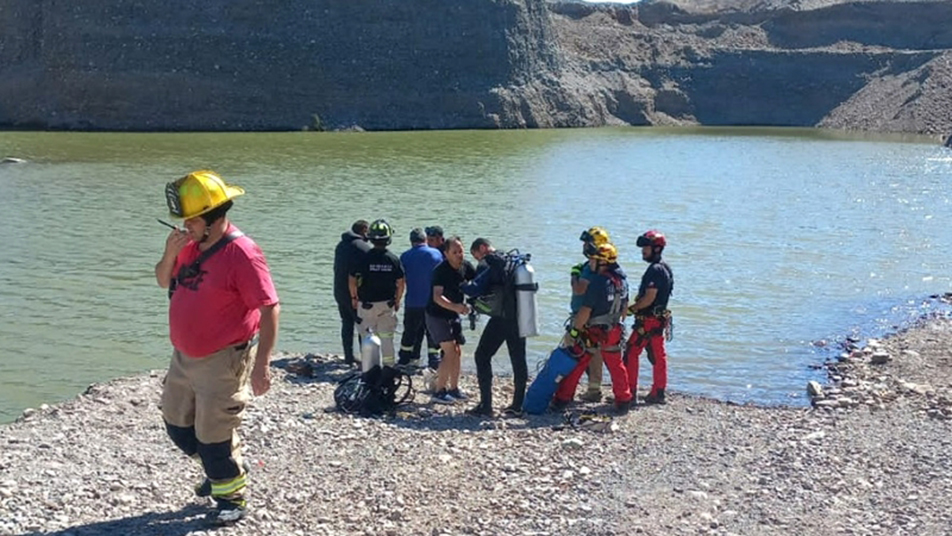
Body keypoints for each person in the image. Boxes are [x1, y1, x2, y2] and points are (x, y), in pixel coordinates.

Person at [154, 170, 280, 525]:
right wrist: (169, 253)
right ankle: (220, 469)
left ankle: (232, 498)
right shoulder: (189, 247)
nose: (184, 227)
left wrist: (262, 365)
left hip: (223, 360)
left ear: (212, 220)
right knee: (178, 428)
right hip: (183, 357)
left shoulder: (243, 254)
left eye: (190, 221)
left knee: (213, 435)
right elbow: (164, 279)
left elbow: (270, 307)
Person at [553, 243, 633, 413]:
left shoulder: (597, 282)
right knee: (616, 366)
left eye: (593, 260)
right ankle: (624, 400)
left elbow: (585, 311)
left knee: (578, 362)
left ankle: (562, 399)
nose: (590, 263)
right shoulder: (622, 280)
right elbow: (625, 309)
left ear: (602, 262)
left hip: (594, 331)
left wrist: (575, 329)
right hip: (614, 329)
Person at [462, 238, 528, 418]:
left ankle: (486, 405)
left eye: (477, 257)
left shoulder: (491, 263)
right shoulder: (511, 261)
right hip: (520, 316)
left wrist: (461, 285)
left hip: (501, 319)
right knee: (518, 360)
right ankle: (518, 404)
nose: (478, 261)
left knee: (481, 356)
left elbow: (476, 289)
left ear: (483, 248)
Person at [625, 230, 674, 405]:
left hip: (647, 322)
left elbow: (649, 298)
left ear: (657, 248)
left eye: (646, 247)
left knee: (631, 353)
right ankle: (658, 392)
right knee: (658, 356)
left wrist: (630, 309)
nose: (643, 251)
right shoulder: (665, 268)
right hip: (658, 321)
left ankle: (629, 393)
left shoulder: (654, 270)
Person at [425, 236, 475, 404]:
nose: (459, 255)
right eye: (454, 252)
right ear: (446, 253)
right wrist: (457, 307)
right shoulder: (440, 271)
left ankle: (454, 389)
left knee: (457, 351)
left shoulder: (466, 266)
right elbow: (437, 297)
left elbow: (477, 285)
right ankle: (439, 391)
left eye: (460, 251)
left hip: (453, 315)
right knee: (449, 351)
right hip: (436, 315)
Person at [349, 219, 405, 367]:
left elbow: (352, 279)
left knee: (367, 338)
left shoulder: (363, 258)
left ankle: (369, 370)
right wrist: (398, 300)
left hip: (366, 305)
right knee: (387, 339)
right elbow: (401, 283)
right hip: (387, 305)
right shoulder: (393, 259)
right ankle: (388, 371)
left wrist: (354, 298)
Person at [571, 227, 612, 403]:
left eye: (587, 243)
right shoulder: (606, 266)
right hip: (600, 319)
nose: (584, 246)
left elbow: (578, 289)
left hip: (584, 315)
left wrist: (574, 274)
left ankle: (565, 389)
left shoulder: (589, 268)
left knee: (570, 350)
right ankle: (594, 389)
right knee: (595, 355)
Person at [398, 228, 443, 370]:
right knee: (432, 332)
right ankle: (434, 361)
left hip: (412, 301)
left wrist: (397, 299)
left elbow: (400, 281)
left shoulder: (405, 256)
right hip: (432, 302)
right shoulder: (436, 254)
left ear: (411, 242)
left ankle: (406, 359)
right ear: (425, 240)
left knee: (410, 332)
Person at [333, 220, 371, 366]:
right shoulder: (362, 247)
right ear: (363, 230)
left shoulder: (341, 245)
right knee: (363, 325)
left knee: (347, 324)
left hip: (339, 290)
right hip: (354, 292)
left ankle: (348, 356)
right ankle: (366, 357)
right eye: (367, 231)